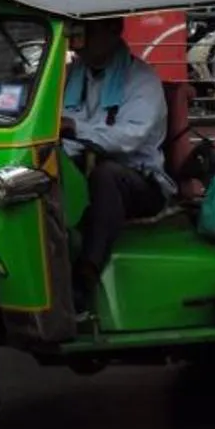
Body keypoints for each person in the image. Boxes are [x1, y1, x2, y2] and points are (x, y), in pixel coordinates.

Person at [60, 16, 174, 307]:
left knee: (106, 175)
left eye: (86, 32)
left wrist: (75, 129)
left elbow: (128, 138)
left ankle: (85, 276)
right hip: (80, 168)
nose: (78, 41)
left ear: (113, 31)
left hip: (140, 180)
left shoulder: (141, 80)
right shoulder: (71, 75)